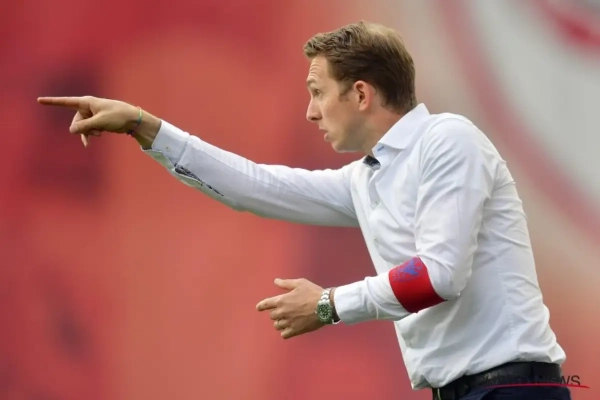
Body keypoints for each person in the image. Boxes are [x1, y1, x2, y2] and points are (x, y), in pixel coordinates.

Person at [38, 21, 570, 400]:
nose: (310, 112)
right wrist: (145, 127)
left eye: (317, 92)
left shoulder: (449, 139)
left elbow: (439, 275)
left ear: (360, 94)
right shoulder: (368, 177)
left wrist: (328, 305)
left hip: (514, 388)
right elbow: (254, 186)